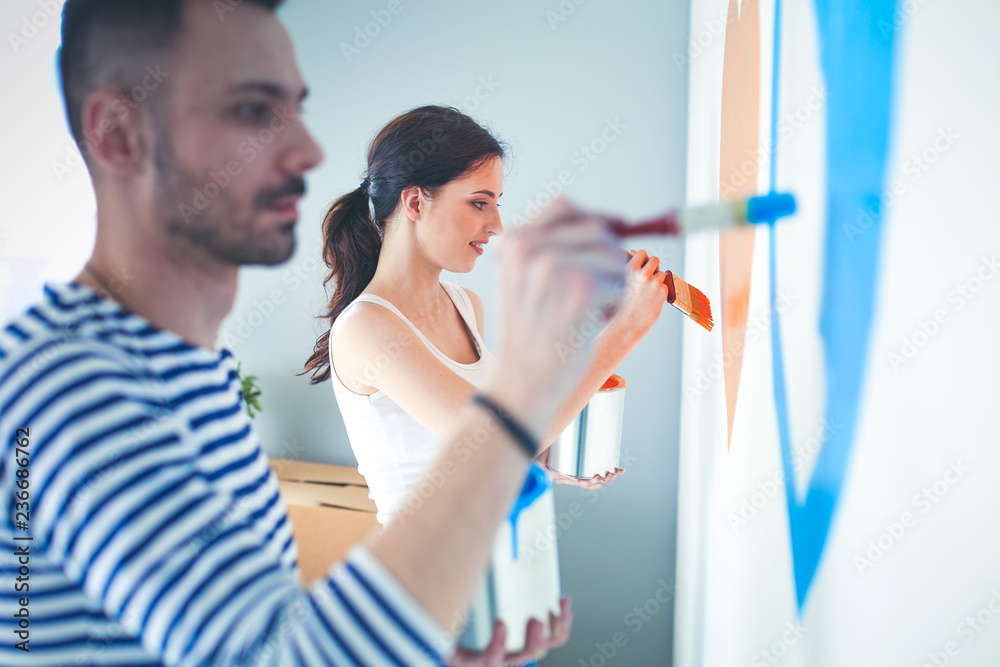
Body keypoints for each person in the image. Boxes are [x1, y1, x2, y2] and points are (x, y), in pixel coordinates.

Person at [0, 1, 626, 666]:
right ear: (120, 134)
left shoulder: (198, 371)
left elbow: (263, 634)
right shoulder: (72, 382)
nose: (308, 149)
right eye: (251, 110)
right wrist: (547, 362)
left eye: (293, 108)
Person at [300, 106, 672, 665]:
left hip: (499, 585)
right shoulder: (369, 328)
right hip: (422, 606)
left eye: (496, 203)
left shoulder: (463, 305)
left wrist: (560, 457)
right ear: (416, 202)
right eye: (479, 202)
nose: (496, 224)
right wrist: (623, 335)